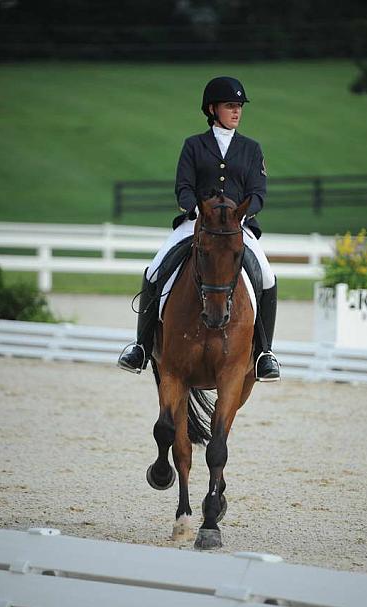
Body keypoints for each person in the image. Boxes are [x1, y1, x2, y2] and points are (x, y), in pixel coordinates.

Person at [118, 76, 280, 381]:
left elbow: (258, 192)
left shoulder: (251, 149)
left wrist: (242, 215)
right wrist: (194, 209)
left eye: (239, 106)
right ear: (212, 109)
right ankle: (140, 346)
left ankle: (264, 353)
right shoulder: (194, 145)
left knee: (267, 276)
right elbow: (183, 186)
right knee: (154, 270)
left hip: (236, 227)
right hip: (197, 224)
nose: (236, 112)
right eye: (230, 106)